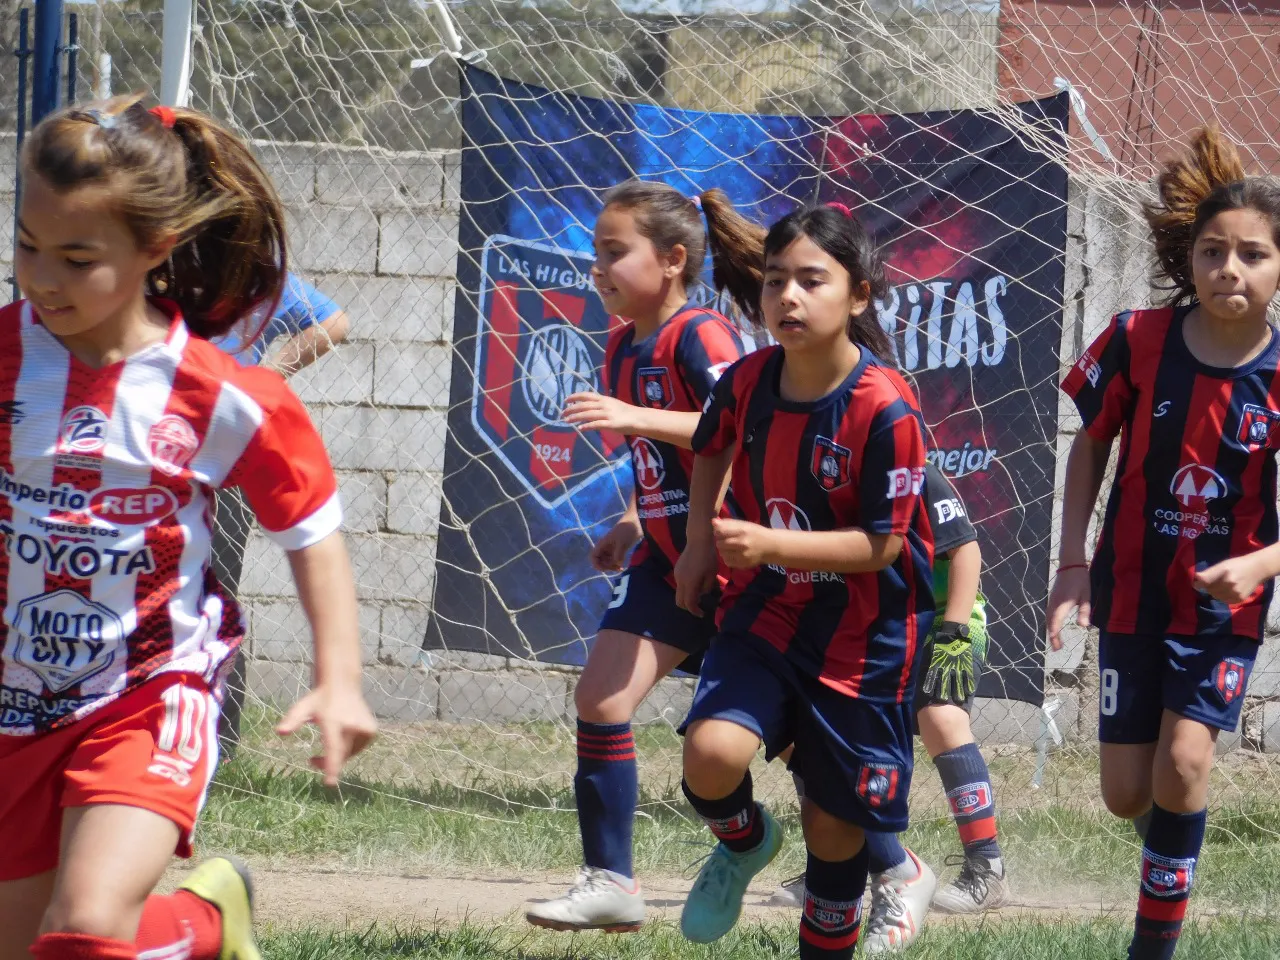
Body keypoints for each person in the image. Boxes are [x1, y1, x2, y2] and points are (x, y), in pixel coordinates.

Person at [0, 97, 377, 960]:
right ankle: (209, 922)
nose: (42, 277)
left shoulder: (222, 394)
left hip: (150, 690)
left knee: (87, 929)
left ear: (154, 252)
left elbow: (312, 528)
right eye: (25, 245)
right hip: (17, 699)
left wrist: (340, 677)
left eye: (77, 257)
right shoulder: (5, 358)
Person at [673, 201, 935, 958]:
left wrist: (769, 538)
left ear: (857, 296)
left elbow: (885, 547)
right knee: (712, 754)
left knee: (833, 827)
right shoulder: (750, 379)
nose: (788, 297)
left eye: (811, 281)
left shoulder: (886, 409)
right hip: (768, 607)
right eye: (776, 280)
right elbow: (710, 447)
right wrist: (698, 543)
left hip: (864, 638)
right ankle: (745, 844)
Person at [1049, 126, 1280, 960]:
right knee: (1124, 794)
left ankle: (1154, 944)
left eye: (1253, 254)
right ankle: (1174, 850)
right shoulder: (1135, 339)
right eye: (1214, 250)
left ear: (1279, 268)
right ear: (1189, 257)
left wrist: (1258, 563)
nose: (1230, 268)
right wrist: (1074, 564)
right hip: (1134, 592)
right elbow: (1090, 444)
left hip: (1227, 610)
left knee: (1183, 766)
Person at [523, 181, 752, 932]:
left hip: (742, 562)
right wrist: (630, 519)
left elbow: (736, 428)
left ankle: (883, 864)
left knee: (796, 741)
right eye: (595, 253)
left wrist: (633, 415)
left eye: (614, 252)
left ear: (674, 259)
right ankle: (611, 882)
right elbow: (657, 455)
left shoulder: (702, 335)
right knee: (601, 698)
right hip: (663, 556)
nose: (598, 267)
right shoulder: (621, 345)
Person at [772, 460, 1009, 952]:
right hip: (874, 627)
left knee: (940, 718)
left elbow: (965, 547)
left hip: (946, 622)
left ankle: (986, 869)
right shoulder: (816, 475)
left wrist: (956, 631)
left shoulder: (912, 469)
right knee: (813, 724)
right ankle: (843, 865)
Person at [208, 274, 351, 755]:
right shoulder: (146, 252)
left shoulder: (249, 261)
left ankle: (220, 746)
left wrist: (270, 373)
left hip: (224, 458)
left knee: (214, 589)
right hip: (155, 450)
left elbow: (332, 322)